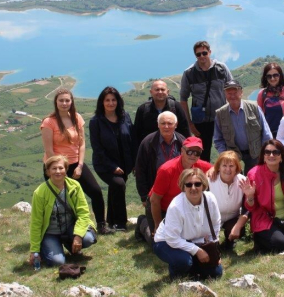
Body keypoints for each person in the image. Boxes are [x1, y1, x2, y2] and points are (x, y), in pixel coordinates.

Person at [41, 89, 113, 235]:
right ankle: (59, 231)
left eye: (67, 100)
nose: (64, 103)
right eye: (61, 100)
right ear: (56, 102)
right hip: (56, 166)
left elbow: (81, 144)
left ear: (72, 102)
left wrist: (80, 165)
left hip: (75, 163)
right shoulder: (49, 122)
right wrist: (60, 169)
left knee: (96, 192)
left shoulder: (77, 118)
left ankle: (101, 225)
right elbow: (49, 150)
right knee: (64, 200)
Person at [154, 168, 222, 280]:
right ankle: (177, 273)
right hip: (166, 242)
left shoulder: (210, 199)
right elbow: (172, 239)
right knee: (184, 262)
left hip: (194, 240)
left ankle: (192, 270)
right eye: (189, 185)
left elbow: (215, 225)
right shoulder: (176, 206)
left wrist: (214, 252)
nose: (193, 188)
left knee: (216, 273)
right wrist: (197, 251)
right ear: (183, 187)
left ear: (203, 185)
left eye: (197, 184)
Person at [29, 155, 97, 266]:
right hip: (50, 233)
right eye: (54, 168)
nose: (58, 171)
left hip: (70, 227)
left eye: (61, 168)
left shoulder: (74, 186)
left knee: (88, 238)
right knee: (58, 262)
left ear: (66, 170)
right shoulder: (40, 192)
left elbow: (83, 213)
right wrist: (34, 250)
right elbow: (36, 222)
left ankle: (70, 243)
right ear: (48, 172)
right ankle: (47, 247)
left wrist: (78, 235)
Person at [134, 111, 186, 244]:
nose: (166, 126)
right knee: (156, 242)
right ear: (158, 125)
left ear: (176, 125)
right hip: (155, 195)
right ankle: (143, 223)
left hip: (177, 195)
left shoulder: (182, 142)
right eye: (163, 123)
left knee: (179, 236)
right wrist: (144, 195)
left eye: (170, 123)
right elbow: (140, 171)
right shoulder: (148, 143)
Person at [146, 136, 212, 238]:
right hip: (162, 208)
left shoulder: (202, 166)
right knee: (158, 241)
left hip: (185, 209)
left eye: (197, 153)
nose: (193, 155)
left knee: (185, 238)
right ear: (182, 150)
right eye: (189, 151)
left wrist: (214, 169)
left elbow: (220, 166)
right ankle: (143, 224)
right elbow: (154, 200)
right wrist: (158, 226)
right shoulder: (167, 170)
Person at [89, 86, 135, 232]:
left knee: (116, 188)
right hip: (104, 164)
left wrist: (133, 163)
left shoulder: (125, 116)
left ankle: (111, 220)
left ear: (118, 101)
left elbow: (132, 139)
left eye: (113, 100)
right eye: (107, 100)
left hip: (124, 162)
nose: (110, 103)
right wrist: (112, 167)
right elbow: (97, 148)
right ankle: (121, 223)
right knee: (118, 184)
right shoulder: (96, 121)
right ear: (102, 102)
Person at [180, 40, 233, 162]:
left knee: (227, 152)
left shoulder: (221, 68)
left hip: (222, 117)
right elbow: (183, 99)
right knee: (202, 154)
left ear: (210, 52)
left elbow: (232, 91)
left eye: (204, 53)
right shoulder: (189, 73)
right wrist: (190, 124)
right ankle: (204, 179)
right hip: (201, 121)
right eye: (198, 54)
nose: (202, 56)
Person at [213, 80, 272, 174]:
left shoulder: (254, 107)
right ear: (225, 94)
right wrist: (225, 155)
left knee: (254, 180)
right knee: (235, 184)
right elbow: (218, 139)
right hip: (233, 155)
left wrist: (265, 153)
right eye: (229, 93)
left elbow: (266, 134)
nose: (232, 96)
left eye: (235, 92)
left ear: (241, 92)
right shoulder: (220, 114)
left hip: (255, 153)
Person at [133, 80, 190, 153]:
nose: (160, 92)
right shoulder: (143, 109)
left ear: (168, 92)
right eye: (157, 90)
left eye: (162, 89)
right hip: (150, 152)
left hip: (174, 151)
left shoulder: (176, 107)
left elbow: (185, 131)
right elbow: (137, 134)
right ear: (151, 92)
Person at [208, 151, 249, 250]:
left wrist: (238, 226)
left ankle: (230, 240)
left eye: (231, 166)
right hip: (210, 220)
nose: (228, 169)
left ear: (237, 168)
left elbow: (247, 208)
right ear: (218, 167)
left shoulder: (243, 181)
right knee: (211, 248)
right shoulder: (209, 181)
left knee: (239, 228)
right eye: (224, 165)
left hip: (232, 218)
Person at [257, 62, 284, 138]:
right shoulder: (262, 94)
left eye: (275, 75)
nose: (272, 78)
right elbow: (258, 117)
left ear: (280, 76)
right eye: (269, 76)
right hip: (268, 135)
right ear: (265, 78)